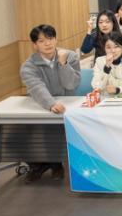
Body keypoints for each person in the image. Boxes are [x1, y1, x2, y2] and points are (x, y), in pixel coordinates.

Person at [20, 24, 80, 182]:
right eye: (41, 41)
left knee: (55, 130)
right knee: (19, 132)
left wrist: (63, 64)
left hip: (68, 104)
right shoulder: (28, 66)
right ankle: (40, 164)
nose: (47, 43)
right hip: (42, 104)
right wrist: (51, 104)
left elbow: (71, 85)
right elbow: (37, 87)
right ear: (34, 45)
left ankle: (55, 164)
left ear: (56, 39)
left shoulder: (70, 56)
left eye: (50, 38)